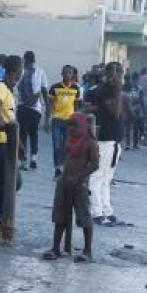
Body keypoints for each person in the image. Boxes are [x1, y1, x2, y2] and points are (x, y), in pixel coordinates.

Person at [43, 112, 99, 263]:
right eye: (70, 125)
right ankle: (56, 248)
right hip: (64, 180)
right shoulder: (70, 138)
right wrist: (63, 173)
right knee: (60, 214)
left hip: (80, 183)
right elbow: (65, 156)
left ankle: (87, 250)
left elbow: (95, 164)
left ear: (81, 125)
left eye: (74, 125)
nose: (71, 128)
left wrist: (79, 177)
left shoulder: (90, 142)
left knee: (84, 216)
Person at [87, 61, 125, 227]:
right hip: (104, 139)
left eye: (121, 73)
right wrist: (117, 90)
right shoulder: (104, 91)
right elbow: (115, 112)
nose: (119, 77)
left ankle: (107, 211)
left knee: (106, 178)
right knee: (97, 177)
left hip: (114, 140)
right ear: (109, 74)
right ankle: (96, 212)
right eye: (117, 73)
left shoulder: (114, 91)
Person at [0, 55, 22, 233]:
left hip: (9, 143)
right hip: (0, 142)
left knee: (11, 181)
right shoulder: (1, 86)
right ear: (13, 72)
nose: (19, 76)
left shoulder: (10, 89)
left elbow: (12, 116)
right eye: (18, 72)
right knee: (3, 181)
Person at [15, 50, 49, 170]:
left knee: (22, 133)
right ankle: (33, 158)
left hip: (22, 106)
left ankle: (23, 159)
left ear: (25, 60)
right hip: (35, 109)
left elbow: (15, 88)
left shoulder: (20, 71)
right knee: (33, 134)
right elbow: (45, 92)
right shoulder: (40, 71)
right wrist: (47, 113)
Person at [48, 65, 81, 179]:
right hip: (57, 119)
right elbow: (50, 104)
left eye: (70, 73)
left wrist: (76, 121)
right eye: (65, 72)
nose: (67, 75)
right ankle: (57, 168)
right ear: (61, 74)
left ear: (72, 75)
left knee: (66, 146)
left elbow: (76, 106)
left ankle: (64, 167)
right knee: (56, 145)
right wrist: (48, 119)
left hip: (69, 121)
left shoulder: (76, 89)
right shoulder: (54, 87)